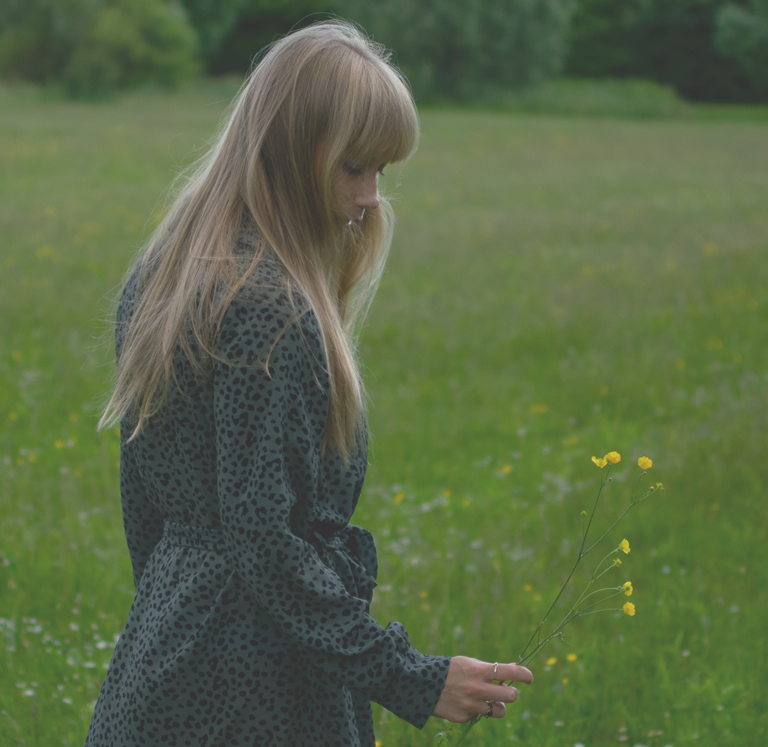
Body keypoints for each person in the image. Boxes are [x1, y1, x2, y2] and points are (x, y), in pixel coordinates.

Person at [88, 21, 532, 746]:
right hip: (258, 689)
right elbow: (267, 543)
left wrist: (168, 620)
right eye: (354, 168)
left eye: (382, 172)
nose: (369, 198)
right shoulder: (268, 310)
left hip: (162, 662)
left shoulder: (166, 274)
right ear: (292, 152)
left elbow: (147, 507)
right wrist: (412, 674)